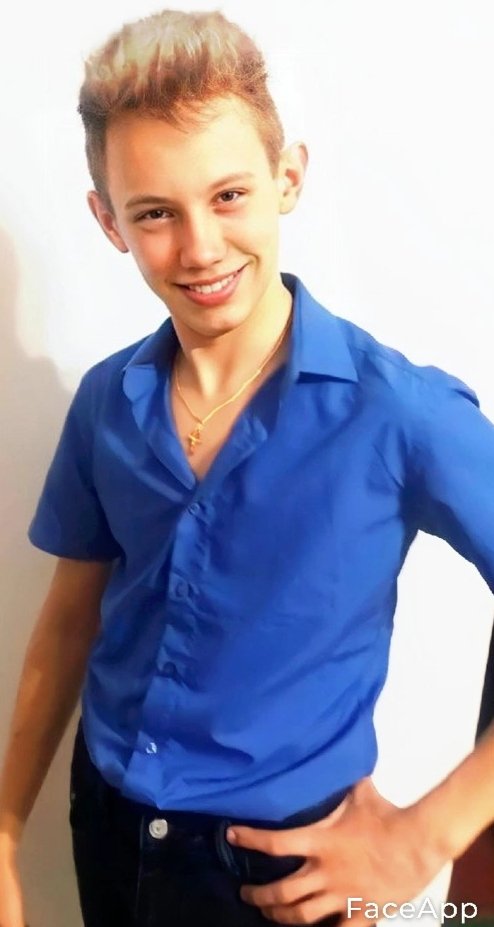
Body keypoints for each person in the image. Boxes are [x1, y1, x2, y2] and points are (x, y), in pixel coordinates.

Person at [0, 8, 493, 927]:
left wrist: (430, 834)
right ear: (108, 222)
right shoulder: (108, 401)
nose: (199, 248)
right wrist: (3, 827)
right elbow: (70, 620)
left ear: (287, 178)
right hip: (107, 825)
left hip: (284, 873)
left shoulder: (399, 412)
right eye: (156, 213)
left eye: (228, 195)